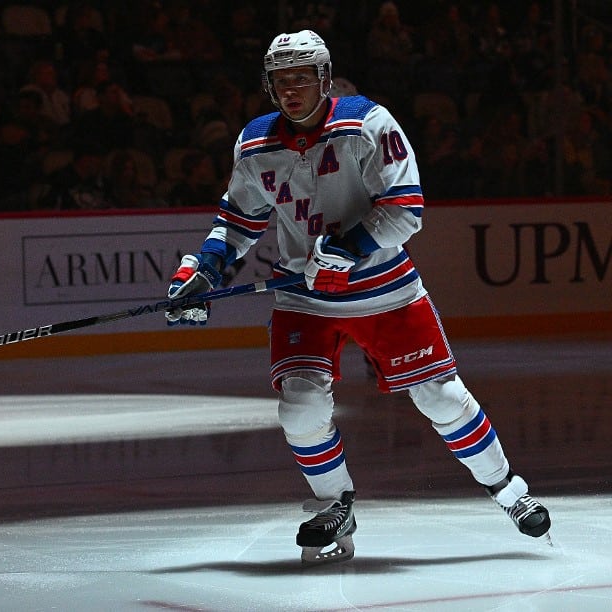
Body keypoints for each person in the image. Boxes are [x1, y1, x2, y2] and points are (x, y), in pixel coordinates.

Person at [165, 30, 550, 566]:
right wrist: (202, 271)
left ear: (324, 79)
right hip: (305, 299)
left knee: (441, 398)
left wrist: (348, 247)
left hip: (385, 291)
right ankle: (332, 506)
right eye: (280, 80)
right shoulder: (255, 143)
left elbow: (406, 208)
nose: (291, 90)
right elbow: (236, 221)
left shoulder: (368, 124)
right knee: (299, 408)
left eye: (301, 78)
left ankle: (508, 488)